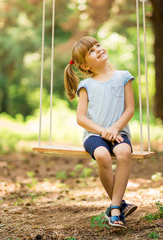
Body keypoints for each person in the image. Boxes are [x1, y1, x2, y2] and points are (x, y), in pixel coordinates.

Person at [64, 36, 137, 228]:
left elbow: (130, 109)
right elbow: (81, 118)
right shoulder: (86, 85)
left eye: (97, 46)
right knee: (103, 155)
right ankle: (117, 208)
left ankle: (113, 207)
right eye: (91, 51)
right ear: (85, 66)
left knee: (124, 152)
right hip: (94, 135)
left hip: (119, 132)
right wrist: (104, 130)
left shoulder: (123, 76)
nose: (98, 49)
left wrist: (114, 128)